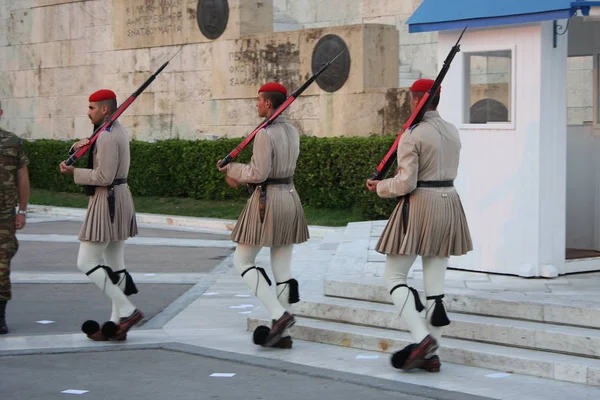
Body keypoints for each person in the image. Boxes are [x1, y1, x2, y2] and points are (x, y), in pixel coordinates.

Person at [366, 79, 472, 372]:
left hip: (420, 203)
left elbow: (406, 182)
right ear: (438, 99)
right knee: (435, 288)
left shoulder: (412, 134)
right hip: (449, 201)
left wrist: (379, 186)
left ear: (415, 101)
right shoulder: (451, 130)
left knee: (394, 276)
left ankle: (422, 337)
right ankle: (431, 355)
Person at [217, 82, 309, 348]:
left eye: (258, 100)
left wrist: (231, 169)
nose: (256, 104)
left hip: (267, 202)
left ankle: (279, 316)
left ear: (268, 103)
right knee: (282, 269)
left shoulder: (264, 134)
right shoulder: (292, 130)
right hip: (290, 196)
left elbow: (258, 173)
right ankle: (283, 334)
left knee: (243, 261)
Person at [59, 89, 143, 341]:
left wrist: (73, 173)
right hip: (120, 198)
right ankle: (116, 325)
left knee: (86, 262)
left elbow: (103, 177)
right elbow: (97, 142)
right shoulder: (114, 131)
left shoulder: (106, 137)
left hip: (106, 200)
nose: (88, 112)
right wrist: (79, 145)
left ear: (105, 109)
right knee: (115, 266)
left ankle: (128, 311)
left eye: (92, 108)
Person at [0, 100, 30, 334]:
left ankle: (0, 317)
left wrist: (22, 210)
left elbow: (22, 178)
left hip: (4, 217)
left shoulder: (13, 142)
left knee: (1, 266)